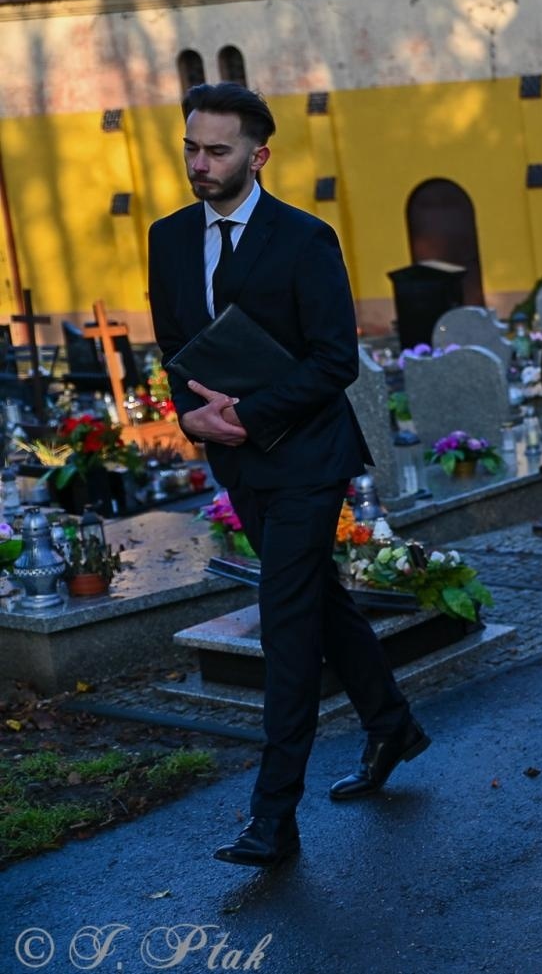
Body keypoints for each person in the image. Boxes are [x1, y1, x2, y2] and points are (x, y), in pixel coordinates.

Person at [148, 83, 425, 868]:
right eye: (191, 148)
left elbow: (335, 359)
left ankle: (275, 817)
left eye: (218, 151)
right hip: (238, 460)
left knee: (289, 618)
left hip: (308, 457)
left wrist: (252, 411)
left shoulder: (306, 239)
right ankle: (393, 724)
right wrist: (189, 416)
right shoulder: (168, 238)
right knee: (319, 599)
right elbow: (176, 347)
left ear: (258, 155)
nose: (201, 164)